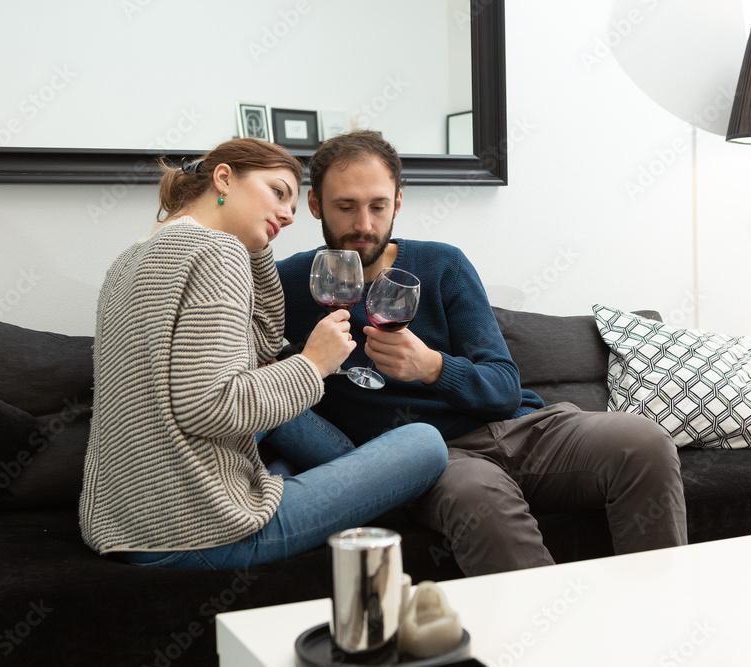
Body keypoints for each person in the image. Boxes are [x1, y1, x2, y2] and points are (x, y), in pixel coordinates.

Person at [277, 131, 687, 576]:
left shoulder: (442, 265)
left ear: (397, 203)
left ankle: (657, 615)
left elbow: (504, 389)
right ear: (315, 205)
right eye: (346, 207)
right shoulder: (290, 283)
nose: (364, 224)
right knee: (478, 497)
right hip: (431, 457)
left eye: (378, 206)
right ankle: (547, 637)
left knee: (645, 443)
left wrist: (432, 367)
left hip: (522, 428)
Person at [79, 138, 447, 570]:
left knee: (283, 417)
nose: (289, 215)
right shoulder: (219, 253)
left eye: (292, 205)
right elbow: (211, 406)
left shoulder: (129, 259)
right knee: (425, 443)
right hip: (197, 530)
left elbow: (262, 349)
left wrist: (256, 238)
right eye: (277, 192)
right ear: (224, 178)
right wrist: (314, 363)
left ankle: (317, 476)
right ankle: (366, 485)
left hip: (118, 526)